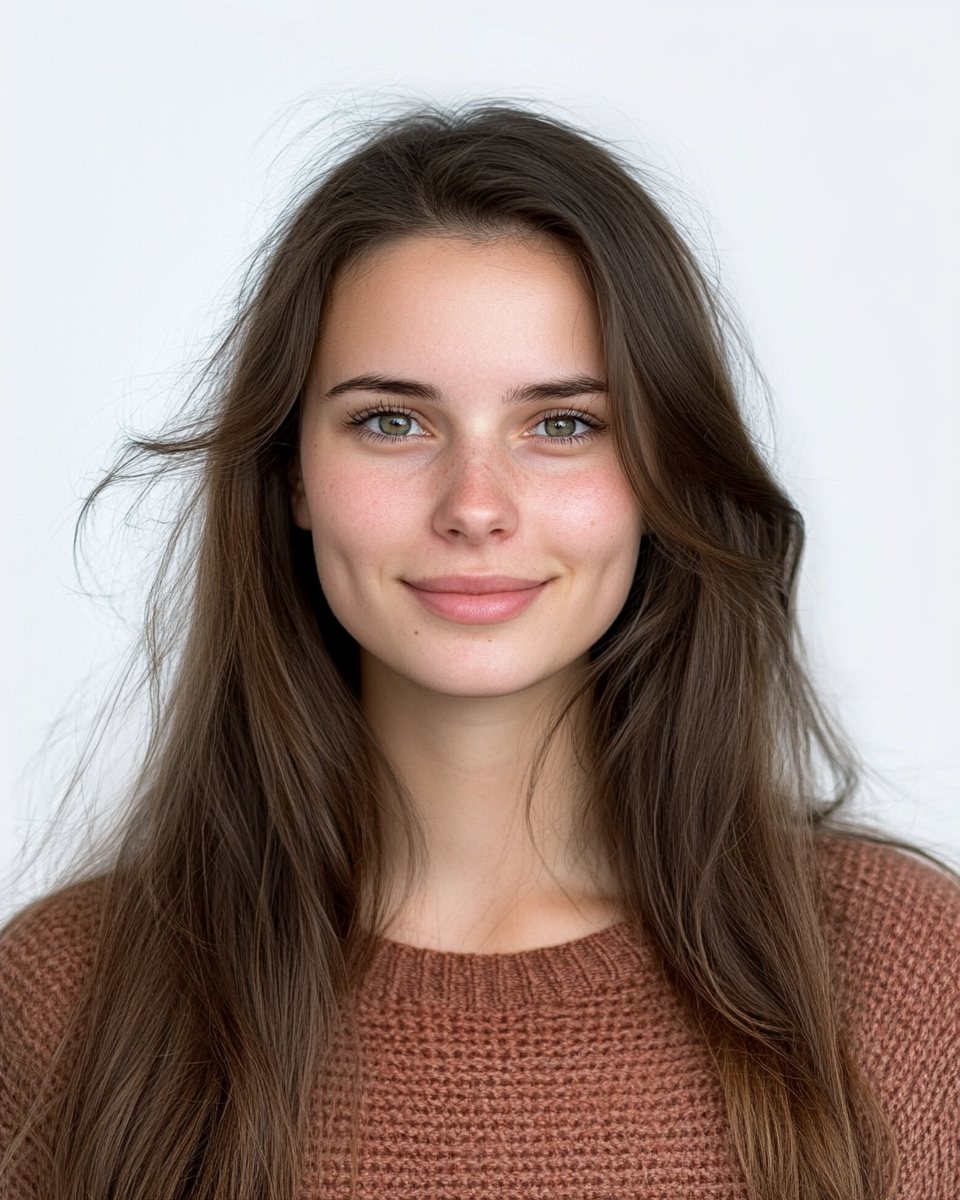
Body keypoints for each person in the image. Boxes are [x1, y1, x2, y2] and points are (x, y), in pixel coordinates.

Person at [0, 103, 957, 1200]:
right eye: (392, 422)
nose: (476, 507)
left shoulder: (910, 983)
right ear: (292, 477)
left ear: (661, 474)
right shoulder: (64, 999)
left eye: (563, 425)